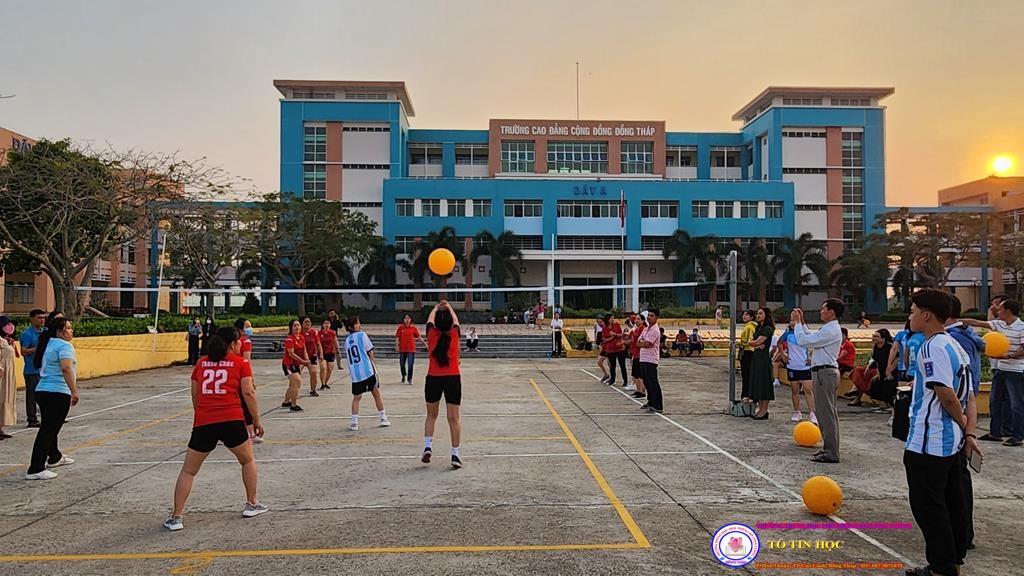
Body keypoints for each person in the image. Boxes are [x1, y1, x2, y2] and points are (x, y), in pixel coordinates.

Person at [902, 289, 980, 576]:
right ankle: (952, 560)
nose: (910, 316)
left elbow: (946, 394)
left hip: (929, 443)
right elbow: (970, 395)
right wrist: (968, 433)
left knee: (929, 507)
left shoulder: (931, 347)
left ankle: (941, 567)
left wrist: (960, 424)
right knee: (953, 503)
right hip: (951, 444)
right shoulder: (955, 345)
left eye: (912, 311)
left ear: (926, 315)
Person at [164, 326, 268, 531]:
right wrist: (256, 420)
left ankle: (177, 517)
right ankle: (251, 503)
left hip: (204, 422)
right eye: (238, 341)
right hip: (232, 419)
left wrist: (201, 414)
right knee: (247, 461)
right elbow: (248, 392)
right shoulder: (241, 363)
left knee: (189, 470)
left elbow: (195, 394)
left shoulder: (202, 363)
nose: (241, 344)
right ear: (232, 344)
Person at [944, 294, 984, 551]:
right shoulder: (966, 336)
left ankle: (961, 535)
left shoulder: (952, 340)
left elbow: (952, 390)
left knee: (955, 481)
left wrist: (965, 426)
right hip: (965, 407)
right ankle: (962, 532)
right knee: (958, 479)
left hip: (955, 417)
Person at [962, 298, 1024, 446]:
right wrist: (956, 320)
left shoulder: (1021, 327)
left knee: (1017, 404)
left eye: (1000, 309)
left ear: (1008, 311)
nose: (998, 311)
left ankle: (1017, 436)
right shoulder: (999, 324)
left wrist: (1009, 356)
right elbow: (977, 322)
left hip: (1016, 371)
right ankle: (995, 432)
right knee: (994, 401)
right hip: (1001, 369)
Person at [25, 317, 79, 480]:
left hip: (42, 390)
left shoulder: (47, 343)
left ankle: (54, 457)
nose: (71, 331)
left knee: (50, 428)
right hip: (57, 392)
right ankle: (36, 468)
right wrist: (74, 391)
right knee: (48, 430)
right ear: (59, 331)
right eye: (68, 328)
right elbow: (66, 367)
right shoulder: (64, 345)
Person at [793, 299, 845, 464]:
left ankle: (831, 451)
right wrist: (802, 323)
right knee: (824, 413)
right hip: (822, 372)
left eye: (823, 309)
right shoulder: (828, 329)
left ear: (831, 312)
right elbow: (811, 336)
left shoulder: (831, 330)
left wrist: (797, 324)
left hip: (825, 373)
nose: (820, 311)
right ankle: (828, 449)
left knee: (826, 414)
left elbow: (803, 341)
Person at [422, 300, 464, 468]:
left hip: (433, 377)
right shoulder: (454, 334)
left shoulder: (432, 334)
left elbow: (429, 321)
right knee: (453, 419)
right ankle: (455, 455)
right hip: (452, 378)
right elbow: (456, 321)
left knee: (431, 416)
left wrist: (436, 307)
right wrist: (449, 307)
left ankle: (428, 446)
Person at [343, 316, 390, 432]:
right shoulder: (362, 335)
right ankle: (383, 417)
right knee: (376, 394)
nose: (360, 325)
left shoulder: (347, 340)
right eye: (357, 323)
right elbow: (370, 351)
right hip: (367, 370)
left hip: (355, 374)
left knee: (357, 398)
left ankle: (354, 422)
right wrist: (373, 363)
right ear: (352, 326)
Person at [780, 319, 816, 423]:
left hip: (804, 366)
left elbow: (816, 344)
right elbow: (780, 343)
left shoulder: (804, 332)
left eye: (795, 321)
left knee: (808, 390)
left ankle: (812, 413)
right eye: (791, 320)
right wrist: (783, 354)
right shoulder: (788, 333)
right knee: (795, 390)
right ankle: (797, 411)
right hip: (792, 366)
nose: (793, 323)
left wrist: (811, 358)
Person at [233, 318, 262, 444]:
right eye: (248, 326)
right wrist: (251, 379)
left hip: (230, 376)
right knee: (246, 404)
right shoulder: (245, 341)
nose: (250, 328)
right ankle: (251, 433)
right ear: (241, 329)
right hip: (241, 376)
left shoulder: (230, 341)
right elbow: (247, 361)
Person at [849, 329, 894, 408]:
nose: (874, 338)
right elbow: (876, 361)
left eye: (876, 336)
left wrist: (889, 369)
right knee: (858, 370)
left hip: (889, 370)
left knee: (881, 382)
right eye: (873, 336)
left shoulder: (889, 347)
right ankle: (858, 389)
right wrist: (878, 371)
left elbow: (896, 359)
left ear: (883, 339)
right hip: (878, 369)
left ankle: (885, 404)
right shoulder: (876, 347)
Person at [746, 307, 776, 420]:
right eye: (757, 313)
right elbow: (755, 342)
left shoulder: (767, 329)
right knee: (758, 383)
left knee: (764, 384)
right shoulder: (759, 328)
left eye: (760, 313)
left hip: (763, 359)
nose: (758, 315)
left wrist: (752, 343)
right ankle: (760, 409)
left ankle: (764, 410)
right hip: (756, 357)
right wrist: (754, 343)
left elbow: (757, 342)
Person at [19, 309, 46, 428]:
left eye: (43, 317)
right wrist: (38, 348)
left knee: (44, 394)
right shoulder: (27, 334)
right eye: (39, 317)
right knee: (32, 396)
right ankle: (32, 419)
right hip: (31, 369)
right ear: (32, 319)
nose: (42, 320)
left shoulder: (45, 332)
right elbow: (23, 351)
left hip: (43, 369)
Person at [637, 308, 664, 413]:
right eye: (648, 315)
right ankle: (651, 401)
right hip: (643, 358)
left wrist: (642, 343)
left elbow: (648, 344)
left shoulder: (655, 330)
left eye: (652, 316)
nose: (649, 317)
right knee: (647, 382)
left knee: (653, 382)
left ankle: (658, 405)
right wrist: (642, 343)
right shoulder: (646, 328)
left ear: (657, 317)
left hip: (651, 359)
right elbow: (639, 341)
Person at [280, 319, 308, 412]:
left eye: (298, 325)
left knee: (293, 384)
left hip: (296, 364)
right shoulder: (289, 339)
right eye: (295, 325)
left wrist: (307, 360)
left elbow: (304, 350)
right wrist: (303, 361)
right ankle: (293, 404)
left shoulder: (301, 337)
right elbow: (291, 354)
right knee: (297, 381)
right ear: (291, 328)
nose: (297, 327)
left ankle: (286, 401)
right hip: (288, 364)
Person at [1, 316, 18, 439]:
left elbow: (16, 355)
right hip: (2, 371)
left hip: (9, 372)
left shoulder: (7, 340)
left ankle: (1, 426)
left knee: (6, 398)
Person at [395, 314, 425, 384]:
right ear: (403, 320)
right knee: (402, 364)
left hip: (411, 349)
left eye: (408, 318)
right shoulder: (401, 328)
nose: (407, 320)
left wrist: (425, 343)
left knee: (410, 364)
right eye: (405, 318)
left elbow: (419, 336)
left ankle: (409, 379)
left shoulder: (413, 328)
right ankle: (403, 375)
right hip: (402, 349)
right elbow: (397, 337)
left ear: (411, 319)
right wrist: (397, 346)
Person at [300, 317, 323, 397]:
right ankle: (294, 388)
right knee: (296, 373)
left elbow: (318, 344)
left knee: (314, 373)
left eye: (309, 322)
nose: (307, 323)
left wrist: (321, 354)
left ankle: (313, 390)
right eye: (305, 322)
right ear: (302, 324)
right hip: (301, 357)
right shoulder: (299, 333)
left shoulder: (314, 332)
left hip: (312, 356)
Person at [602, 314, 627, 387]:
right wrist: (611, 338)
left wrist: (614, 334)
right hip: (610, 349)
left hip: (619, 348)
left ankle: (625, 380)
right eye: (611, 318)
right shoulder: (605, 328)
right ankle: (612, 379)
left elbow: (621, 335)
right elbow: (604, 339)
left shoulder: (616, 325)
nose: (613, 320)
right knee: (612, 365)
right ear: (607, 320)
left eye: (613, 318)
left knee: (622, 365)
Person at [627, 314, 647, 398]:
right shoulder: (636, 329)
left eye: (639, 319)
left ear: (642, 321)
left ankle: (642, 391)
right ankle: (638, 390)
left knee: (639, 374)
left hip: (640, 354)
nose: (636, 320)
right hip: (635, 353)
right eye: (636, 319)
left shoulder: (643, 329)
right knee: (635, 373)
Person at [739, 310, 757, 401]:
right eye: (744, 314)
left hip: (748, 352)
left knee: (747, 375)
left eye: (746, 315)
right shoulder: (748, 326)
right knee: (746, 375)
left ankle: (746, 394)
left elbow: (750, 341)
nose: (744, 316)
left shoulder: (750, 327)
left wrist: (741, 344)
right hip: (747, 351)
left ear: (751, 317)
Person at [319, 319, 338, 389]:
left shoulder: (332, 332)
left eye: (328, 323)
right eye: (325, 323)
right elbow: (317, 343)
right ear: (323, 325)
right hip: (322, 353)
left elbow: (335, 341)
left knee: (329, 369)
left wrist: (337, 349)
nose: (327, 325)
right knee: (323, 368)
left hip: (331, 352)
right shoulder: (319, 333)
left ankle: (326, 382)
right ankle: (322, 384)